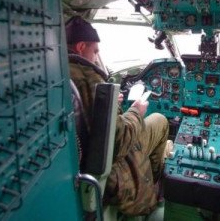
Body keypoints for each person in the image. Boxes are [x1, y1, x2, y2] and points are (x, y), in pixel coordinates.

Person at [66, 16, 169, 216]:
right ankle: (154, 185)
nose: (96, 57)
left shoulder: (58, 71)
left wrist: (114, 106)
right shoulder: (89, 78)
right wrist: (136, 112)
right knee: (161, 121)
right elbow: (119, 142)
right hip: (110, 164)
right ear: (80, 47)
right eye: (95, 51)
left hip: (80, 163)